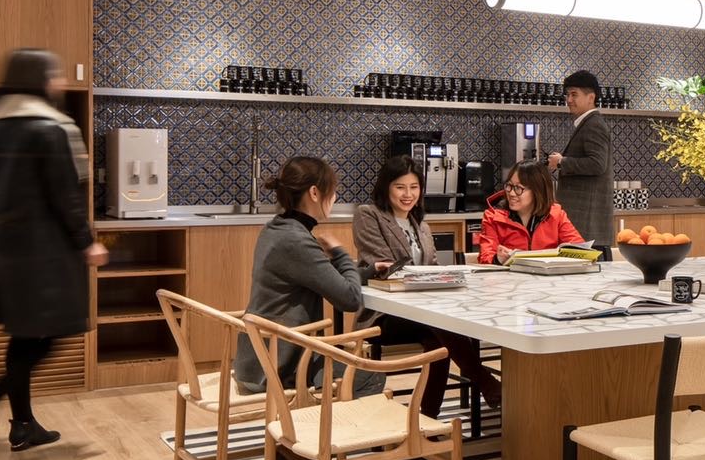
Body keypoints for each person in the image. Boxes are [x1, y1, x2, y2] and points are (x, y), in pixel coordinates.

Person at [0, 48, 109, 450]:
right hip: (44, 251)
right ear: (39, 79)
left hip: (3, 247)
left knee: (25, 335)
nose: (60, 81)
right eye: (54, 74)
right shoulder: (48, 128)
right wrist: (87, 241)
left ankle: (22, 424)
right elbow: (64, 195)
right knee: (55, 333)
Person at [352, 155, 501, 415]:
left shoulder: (420, 223)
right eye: (400, 187)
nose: (408, 194)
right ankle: (483, 380)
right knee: (440, 324)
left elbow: (431, 266)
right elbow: (385, 265)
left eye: (414, 187)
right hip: (386, 315)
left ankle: (427, 417)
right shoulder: (369, 215)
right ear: (386, 187)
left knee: (439, 340)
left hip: (423, 313)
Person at [233, 156, 386, 399]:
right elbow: (349, 299)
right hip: (279, 365)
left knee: (351, 370)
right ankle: (320, 423)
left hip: (258, 359)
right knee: (370, 375)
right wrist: (340, 253)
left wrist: (367, 271)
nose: (334, 198)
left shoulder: (277, 229)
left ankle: (319, 420)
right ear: (314, 193)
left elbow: (321, 276)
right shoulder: (296, 240)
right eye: (332, 191)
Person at [547, 70, 613, 252]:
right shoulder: (588, 123)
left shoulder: (594, 124)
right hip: (584, 224)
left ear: (591, 97)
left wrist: (562, 162)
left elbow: (597, 164)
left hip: (587, 223)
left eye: (574, 94)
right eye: (567, 95)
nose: (569, 100)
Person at [478, 159, 585, 265]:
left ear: (537, 191)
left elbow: (580, 250)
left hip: (547, 275)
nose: (511, 193)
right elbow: (485, 257)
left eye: (518, 188)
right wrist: (497, 259)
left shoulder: (556, 214)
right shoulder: (493, 217)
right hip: (509, 275)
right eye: (509, 186)